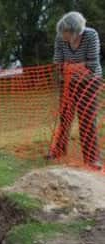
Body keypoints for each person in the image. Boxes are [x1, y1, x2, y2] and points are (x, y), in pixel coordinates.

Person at [49, 11, 102, 169]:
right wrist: (72, 68)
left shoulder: (91, 35)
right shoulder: (60, 38)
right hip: (67, 83)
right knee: (65, 117)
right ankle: (58, 150)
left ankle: (92, 158)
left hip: (89, 82)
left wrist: (69, 67)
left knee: (87, 119)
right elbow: (58, 62)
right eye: (61, 32)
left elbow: (92, 64)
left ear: (75, 31)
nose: (62, 36)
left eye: (65, 32)